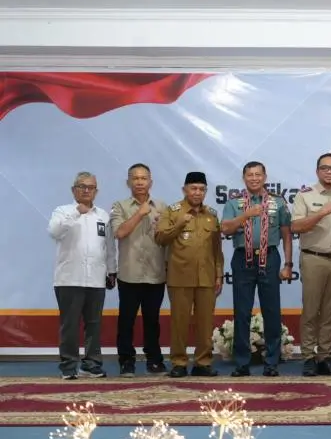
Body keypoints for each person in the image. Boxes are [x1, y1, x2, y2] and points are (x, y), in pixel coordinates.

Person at [221, 161, 293, 377]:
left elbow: (287, 234)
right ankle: (242, 362)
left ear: (265, 176)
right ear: (244, 178)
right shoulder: (234, 203)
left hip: (269, 258)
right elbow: (225, 228)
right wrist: (246, 215)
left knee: (272, 311)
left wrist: (288, 264)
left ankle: (271, 361)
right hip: (243, 259)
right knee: (241, 312)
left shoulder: (277, 202)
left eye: (258, 174)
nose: (254, 178)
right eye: (250, 175)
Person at [47, 171, 117, 380]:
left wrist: (112, 271)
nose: (87, 190)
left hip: (96, 279)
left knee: (94, 324)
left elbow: (110, 247)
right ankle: (69, 366)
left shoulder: (103, 215)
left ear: (96, 191)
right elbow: (54, 232)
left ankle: (91, 364)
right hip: (69, 278)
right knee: (70, 324)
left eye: (91, 187)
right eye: (82, 187)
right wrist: (76, 213)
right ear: (73, 190)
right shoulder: (62, 211)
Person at [291, 153, 331, 377]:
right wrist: (320, 214)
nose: (329, 171)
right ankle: (308, 356)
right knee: (311, 311)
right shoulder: (305, 195)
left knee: (330, 312)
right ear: (317, 171)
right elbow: (296, 227)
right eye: (324, 168)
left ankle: (325, 357)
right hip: (313, 258)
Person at [155, 171, 223, 378]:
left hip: (207, 277)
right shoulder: (172, 211)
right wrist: (179, 224)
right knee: (179, 322)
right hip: (180, 276)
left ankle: (203, 362)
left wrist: (219, 275)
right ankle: (178, 362)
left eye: (201, 189)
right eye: (193, 188)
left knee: (205, 323)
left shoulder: (211, 214)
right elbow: (160, 238)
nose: (197, 192)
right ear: (184, 189)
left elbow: (217, 249)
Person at [109, 163, 168, 377]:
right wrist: (140, 214)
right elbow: (119, 232)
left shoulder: (162, 206)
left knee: (152, 320)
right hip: (129, 274)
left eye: (144, 178)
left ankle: (154, 360)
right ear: (128, 182)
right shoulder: (120, 206)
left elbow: (167, 238)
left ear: (150, 182)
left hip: (155, 273)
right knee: (127, 320)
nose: (140, 182)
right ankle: (126, 361)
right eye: (135, 178)